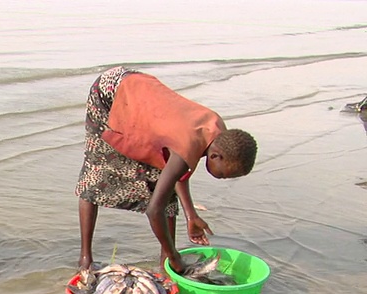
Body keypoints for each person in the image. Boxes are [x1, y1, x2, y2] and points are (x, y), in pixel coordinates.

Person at [75, 67, 257, 273]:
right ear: (216, 156)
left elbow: (178, 169)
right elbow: (154, 210)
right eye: (224, 175)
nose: (222, 179)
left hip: (141, 90)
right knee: (96, 173)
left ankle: (165, 263)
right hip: (110, 92)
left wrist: (191, 215)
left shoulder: (218, 131)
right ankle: (85, 259)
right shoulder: (187, 145)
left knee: (165, 185)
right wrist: (176, 255)